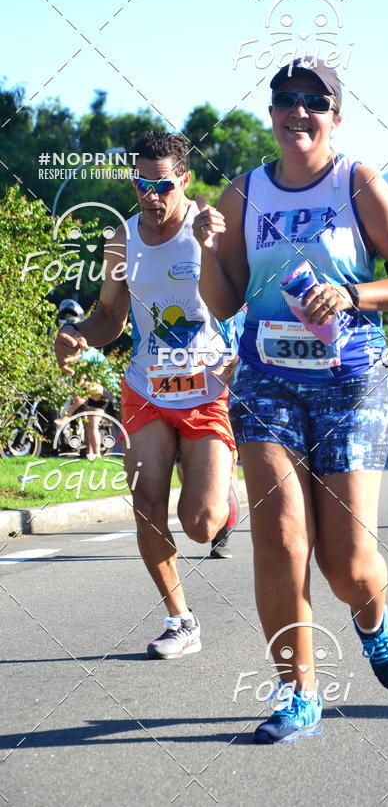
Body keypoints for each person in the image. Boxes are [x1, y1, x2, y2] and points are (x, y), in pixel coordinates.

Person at [196, 58, 388, 743]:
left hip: (349, 384)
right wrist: (206, 249)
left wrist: (352, 294)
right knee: (279, 538)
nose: (298, 112)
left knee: (347, 566)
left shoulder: (357, 183)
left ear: (336, 115)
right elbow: (226, 302)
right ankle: (297, 692)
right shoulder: (242, 193)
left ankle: (373, 619)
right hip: (267, 382)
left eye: (314, 101)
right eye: (285, 100)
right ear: (271, 113)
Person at [54, 132, 238, 659]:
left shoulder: (211, 230)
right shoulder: (122, 240)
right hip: (146, 387)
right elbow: (111, 316)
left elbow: (242, 302)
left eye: (162, 186)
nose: (151, 196)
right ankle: (180, 620)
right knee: (147, 501)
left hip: (207, 388)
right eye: (141, 184)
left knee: (201, 524)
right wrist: (79, 335)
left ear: (184, 180)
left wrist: (214, 249)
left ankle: (223, 500)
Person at [55, 299, 117, 458]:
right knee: (88, 425)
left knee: (90, 419)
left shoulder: (86, 354)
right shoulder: (83, 353)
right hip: (95, 391)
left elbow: (83, 378)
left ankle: (95, 454)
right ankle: (90, 454)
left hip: (103, 390)